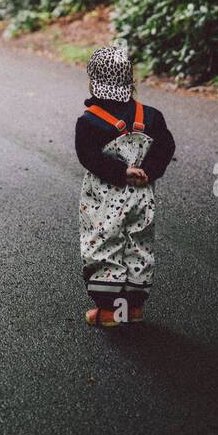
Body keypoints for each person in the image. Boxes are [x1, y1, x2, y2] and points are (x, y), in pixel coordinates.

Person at [74, 45, 175, 327]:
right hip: (142, 198)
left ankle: (109, 311)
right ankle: (132, 308)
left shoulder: (89, 122)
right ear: (131, 81)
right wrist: (147, 171)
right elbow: (166, 147)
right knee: (138, 244)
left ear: (93, 80)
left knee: (105, 244)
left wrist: (121, 172)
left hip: (105, 200)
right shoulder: (151, 117)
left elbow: (89, 157)